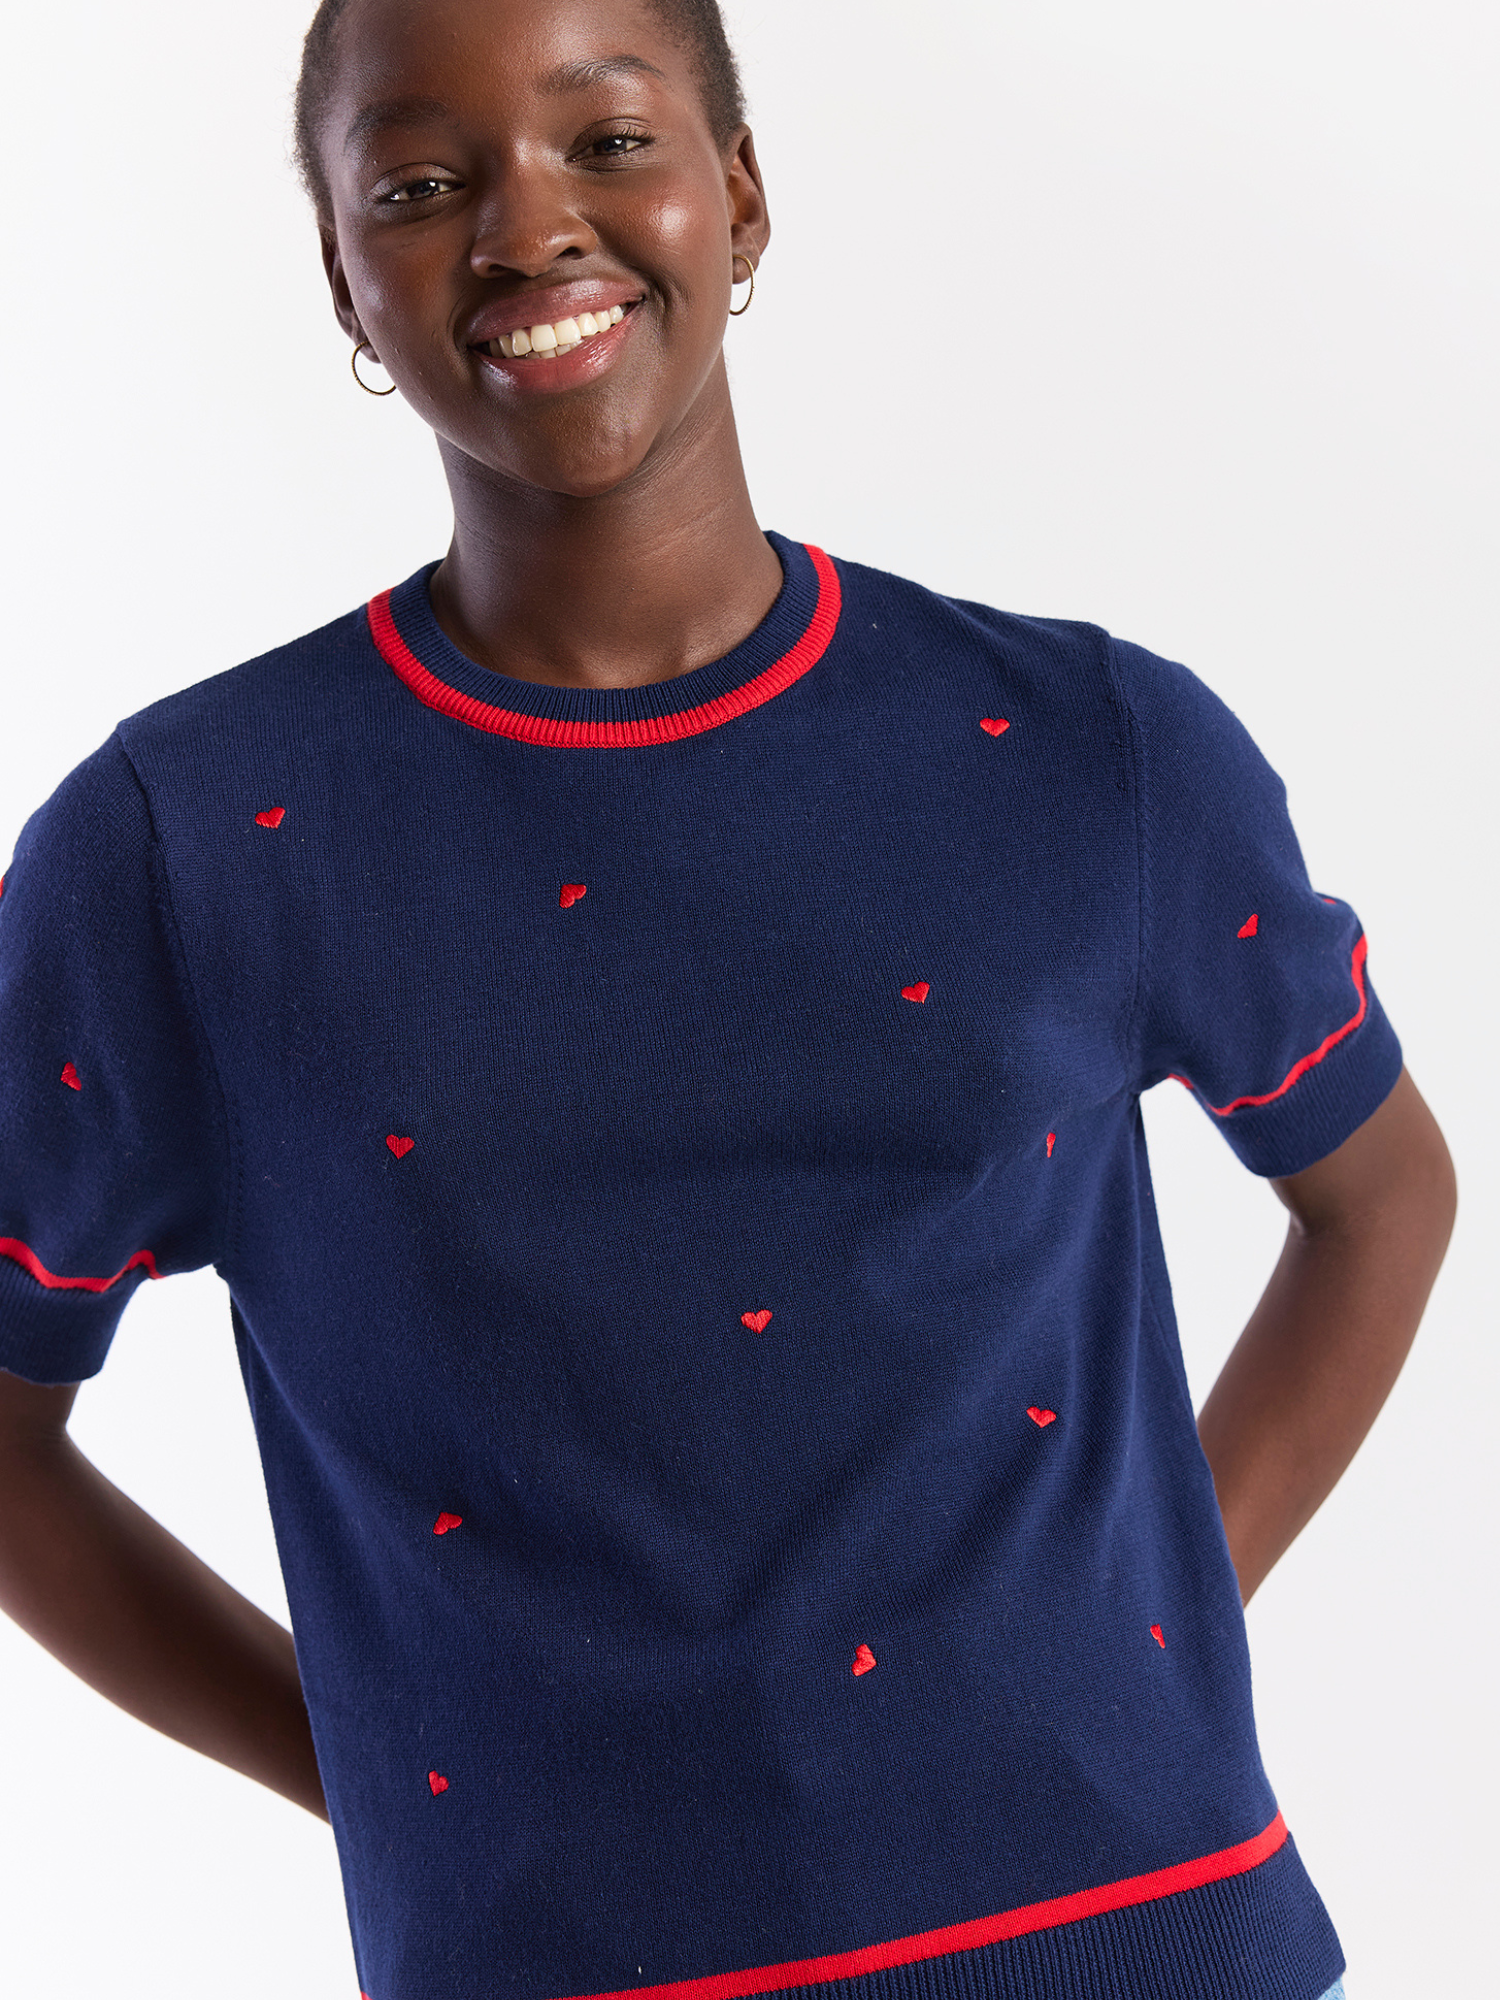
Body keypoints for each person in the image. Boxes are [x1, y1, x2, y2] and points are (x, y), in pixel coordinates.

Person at [0, 1, 1455, 1997]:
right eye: (425, 188)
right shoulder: (179, 853)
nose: (528, 231)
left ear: (741, 197)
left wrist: (1153, 1618)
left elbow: (1384, 1193)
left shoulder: (1091, 749)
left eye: (607, 141)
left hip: (1152, 1944)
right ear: (346, 280)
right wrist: (388, 1764)